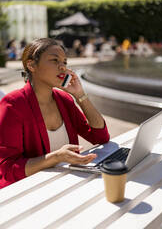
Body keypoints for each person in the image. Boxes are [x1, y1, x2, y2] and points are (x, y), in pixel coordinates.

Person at [0, 38, 110, 188]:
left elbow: (100, 137)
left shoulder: (64, 100)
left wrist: (80, 95)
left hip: (66, 185)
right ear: (31, 65)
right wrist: (56, 157)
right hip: (27, 193)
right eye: (54, 60)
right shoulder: (13, 104)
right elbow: (7, 169)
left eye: (64, 62)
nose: (62, 67)